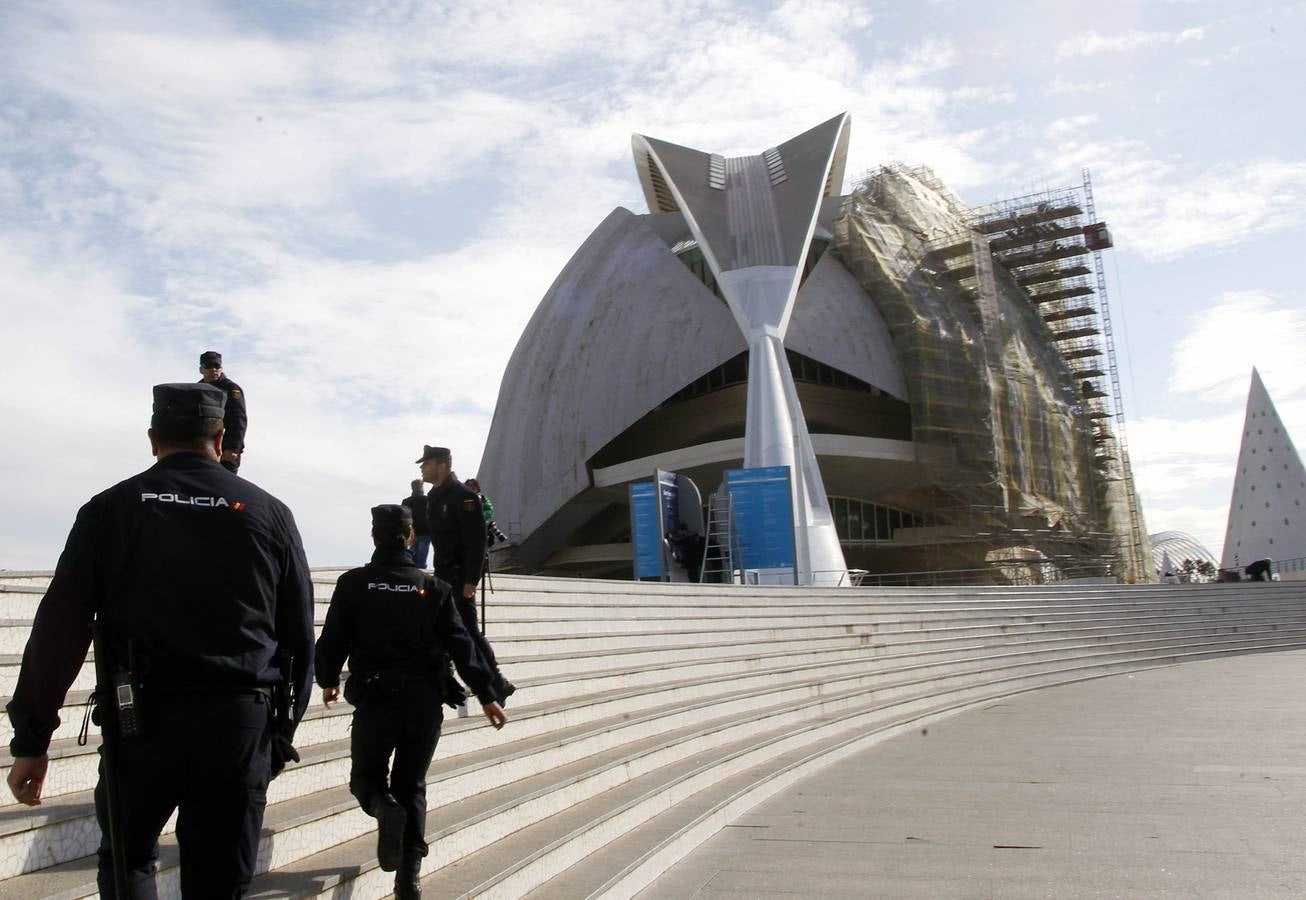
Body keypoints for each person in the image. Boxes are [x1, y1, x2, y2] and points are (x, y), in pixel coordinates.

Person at [5, 383, 315, 896]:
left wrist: (33, 740)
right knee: (219, 879)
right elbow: (299, 636)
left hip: (139, 722)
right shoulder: (270, 513)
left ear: (153, 439)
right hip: (237, 723)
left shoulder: (108, 509)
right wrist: (281, 732)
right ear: (220, 438)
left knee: (129, 860)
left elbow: (59, 629)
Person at [315, 505, 507, 898]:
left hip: (376, 697)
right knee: (412, 785)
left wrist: (328, 679)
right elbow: (462, 644)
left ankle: (384, 809)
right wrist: (487, 695)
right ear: (410, 539)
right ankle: (408, 882)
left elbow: (333, 638)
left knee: (366, 780)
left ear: (374, 539)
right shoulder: (434, 587)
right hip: (423, 702)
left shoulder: (354, 583)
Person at [417, 445, 515, 704]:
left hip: (460, 574)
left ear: (441, 465)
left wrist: (471, 579)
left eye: (426, 463)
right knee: (450, 626)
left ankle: (496, 681)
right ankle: (476, 679)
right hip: (443, 572)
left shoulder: (463, 496)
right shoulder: (436, 496)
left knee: (468, 629)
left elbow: (477, 540)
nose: (422, 468)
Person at [198, 350, 248, 474]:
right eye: (209, 366)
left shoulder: (231, 389)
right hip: (203, 448)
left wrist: (233, 448)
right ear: (201, 369)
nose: (213, 369)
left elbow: (238, 420)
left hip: (225, 449)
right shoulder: (197, 389)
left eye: (217, 366)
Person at [401, 479, 431, 568]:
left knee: (412, 552)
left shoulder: (406, 501)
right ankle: (420, 572)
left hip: (412, 532)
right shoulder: (428, 499)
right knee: (422, 555)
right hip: (426, 531)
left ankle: (410, 569)